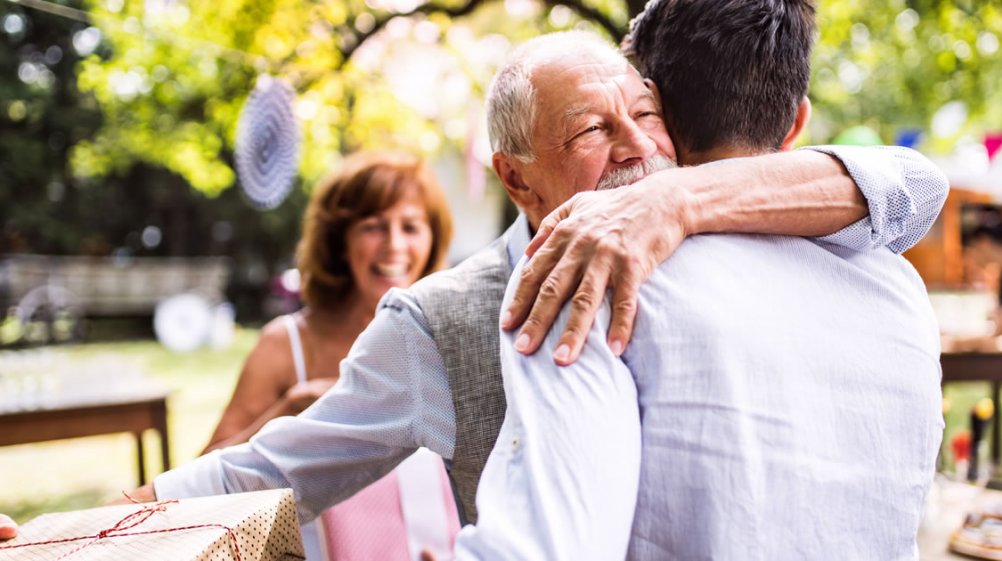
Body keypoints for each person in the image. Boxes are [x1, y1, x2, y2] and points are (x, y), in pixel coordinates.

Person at [0, 30, 948, 548]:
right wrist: (75, 530)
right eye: (590, 130)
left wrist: (680, 203)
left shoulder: (728, 242)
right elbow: (270, 468)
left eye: (645, 114)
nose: (634, 145)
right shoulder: (449, 317)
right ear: (517, 177)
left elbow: (910, 186)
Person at [455, 6, 944, 559]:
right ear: (798, 120)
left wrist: (677, 196)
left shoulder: (602, 267)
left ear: (658, 108)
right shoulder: (899, 289)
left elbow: (551, 544)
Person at [205, 151, 460, 561]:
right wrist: (287, 411)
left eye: (411, 227)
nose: (394, 245)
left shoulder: (449, 338)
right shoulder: (286, 345)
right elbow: (205, 489)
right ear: (339, 240)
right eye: (374, 227)